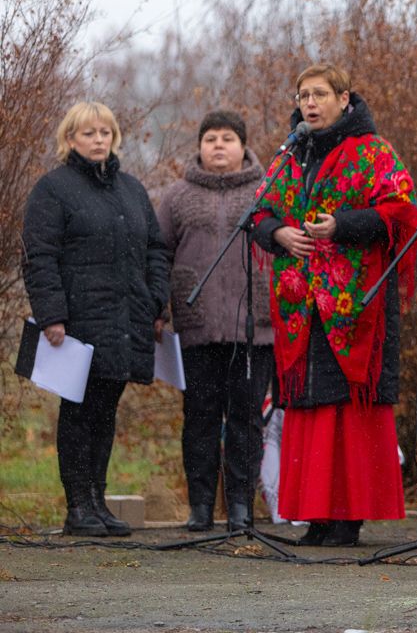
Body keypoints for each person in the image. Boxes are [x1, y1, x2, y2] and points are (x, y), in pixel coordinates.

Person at [252, 63, 417, 547]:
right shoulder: (291, 155)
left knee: (346, 410)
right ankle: (316, 514)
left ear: (345, 99)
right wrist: (277, 232)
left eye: (320, 93)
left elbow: (401, 212)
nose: (309, 102)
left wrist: (341, 226)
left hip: (356, 305)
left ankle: (348, 516)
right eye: (303, 94)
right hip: (300, 309)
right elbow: (261, 210)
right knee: (307, 409)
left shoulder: (372, 152)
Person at [22, 102, 171, 537]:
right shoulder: (53, 189)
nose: (99, 139)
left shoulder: (131, 189)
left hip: (126, 321)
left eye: (105, 132)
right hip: (78, 325)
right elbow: (39, 256)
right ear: (71, 139)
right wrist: (52, 315)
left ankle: (98, 502)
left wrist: (156, 302)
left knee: (106, 412)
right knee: (78, 412)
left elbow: (155, 251)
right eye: (89, 133)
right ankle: (78, 506)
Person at [157, 111, 274, 532]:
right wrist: (160, 308)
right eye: (210, 139)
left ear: (243, 146)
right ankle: (201, 507)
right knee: (200, 418)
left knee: (246, 420)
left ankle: (241, 507)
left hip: (254, 327)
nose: (218, 146)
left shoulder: (268, 190)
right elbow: (159, 255)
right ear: (200, 146)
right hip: (197, 326)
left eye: (227, 138)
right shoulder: (176, 196)